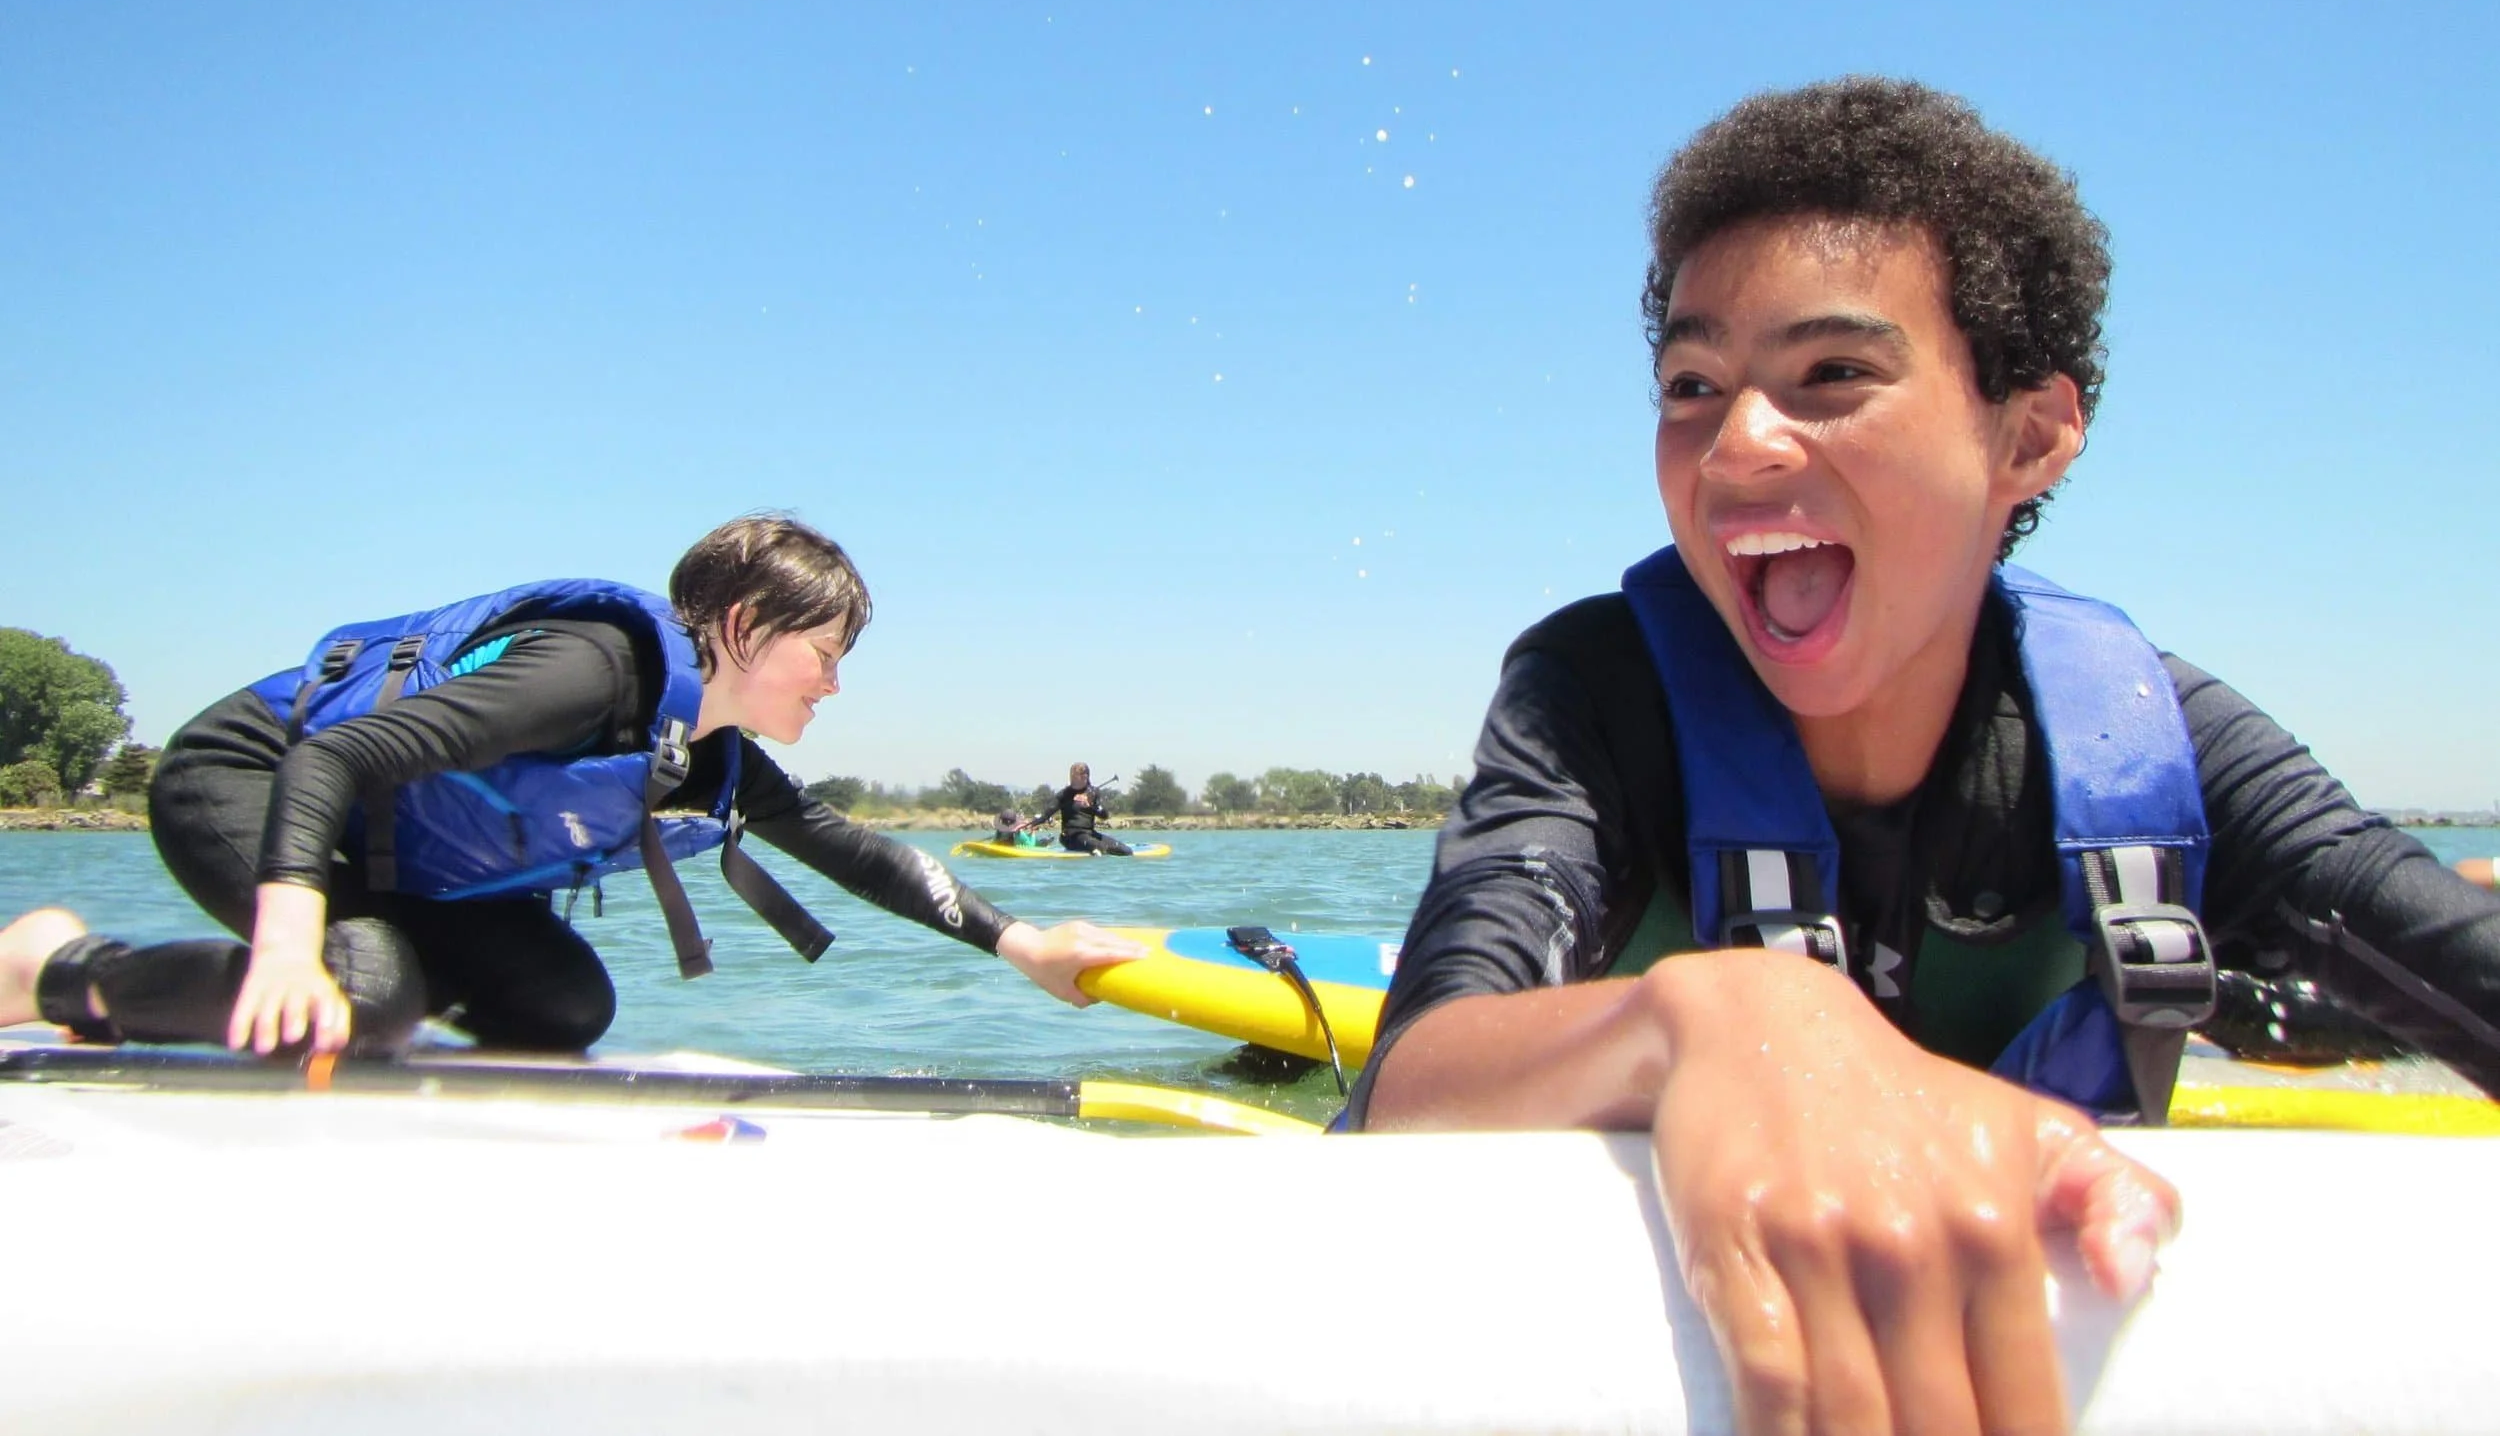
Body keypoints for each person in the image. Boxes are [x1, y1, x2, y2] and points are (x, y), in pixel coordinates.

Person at [1351, 80, 2500, 1436]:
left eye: (1832, 372)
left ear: (2029, 433)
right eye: (1693, 384)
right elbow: (1405, 1090)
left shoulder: (2152, 737)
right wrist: (1710, 1017)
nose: (1736, 446)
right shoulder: (1595, 698)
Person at [0, 514, 1142, 1057]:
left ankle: (336, 984)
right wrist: (292, 944)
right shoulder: (585, 669)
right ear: (744, 627)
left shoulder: (706, 750)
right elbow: (332, 756)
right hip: (254, 783)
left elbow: (851, 851)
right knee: (365, 998)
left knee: (563, 1009)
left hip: (395, 854)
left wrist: (1027, 947)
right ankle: (59, 971)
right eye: (826, 655)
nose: (835, 685)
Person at [1054, 763, 1131, 856]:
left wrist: (1091, 805)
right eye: (1080, 774)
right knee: (1101, 847)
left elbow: (1104, 815)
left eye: (1085, 774)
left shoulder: (1093, 793)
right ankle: (1095, 849)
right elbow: (1047, 813)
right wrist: (1033, 824)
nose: (1083, 776)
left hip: (1089, 834)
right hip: (1070, 837)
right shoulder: (1064, 794)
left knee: (1127, 851)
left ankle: (1096, 848)